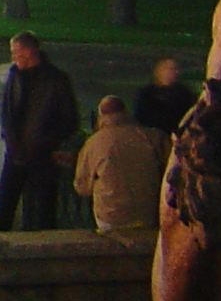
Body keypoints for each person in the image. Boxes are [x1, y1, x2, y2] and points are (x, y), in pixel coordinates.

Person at [0, 32, 80, 231]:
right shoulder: (14, 76)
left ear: (29, 51)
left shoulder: (55, 80)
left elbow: (68, 119)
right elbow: (6, 112)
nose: (13, 57)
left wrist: (46, 142)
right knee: (4, 206)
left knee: (44, 209)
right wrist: (12, 141)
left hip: (43, 154)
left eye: (16, 52)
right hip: (16, 152)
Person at [71, 95, 165, 231]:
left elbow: (83, 187)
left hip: (110, 217)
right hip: (148, 214)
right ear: (125, 112)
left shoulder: (94, 142)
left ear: (100, 115)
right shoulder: (154, 137)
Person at [134, 56, 198, 135]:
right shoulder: (146, 94)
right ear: (158, 71)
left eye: (175, 69)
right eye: (168, 69)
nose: (172, 72)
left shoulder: (185, 94)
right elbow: (140, 118)